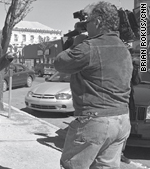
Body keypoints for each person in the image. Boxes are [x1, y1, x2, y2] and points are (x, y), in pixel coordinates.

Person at [54, 1, 132, 168]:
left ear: (97, 22)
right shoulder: (123, 48)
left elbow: (60, 63)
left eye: (88, 22)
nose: (85, 26)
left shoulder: (89, 47)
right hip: (121, 120)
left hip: (96, 120)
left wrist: (77, 42)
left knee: (72, 165)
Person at [121, 57, 141, 164]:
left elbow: (137, 81)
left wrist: (135, 69)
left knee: (125, 128)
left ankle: (120, 152)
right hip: (119, 100)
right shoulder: (119, 67)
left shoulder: (131, 68)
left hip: (127, 101)